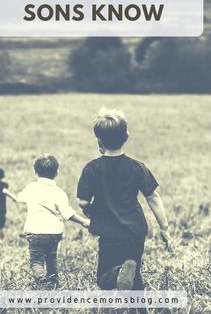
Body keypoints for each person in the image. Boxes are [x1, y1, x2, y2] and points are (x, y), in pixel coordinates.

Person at [77, 109, 170, 313]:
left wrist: (93, 213)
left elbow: (82, 202)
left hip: (109, 233)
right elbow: (153, 197)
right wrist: (164, 228)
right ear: (126, 137)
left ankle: (116, 280)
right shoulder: (137, 167)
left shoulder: (92, 168)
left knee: (105, 278)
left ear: (98, 140)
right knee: (133, 274)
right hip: (135, 232)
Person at [4, 154, 90, 287]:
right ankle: (54, 282)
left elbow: (19, 198)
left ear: (35, 172)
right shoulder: (59, 192)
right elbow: (67, 213)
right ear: (57, 172)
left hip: (36, 233)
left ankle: (42, 281)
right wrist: (84, 221)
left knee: (36, 262)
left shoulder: (31, 188)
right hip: (54, 234)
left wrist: (8, 193)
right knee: (51, 258)